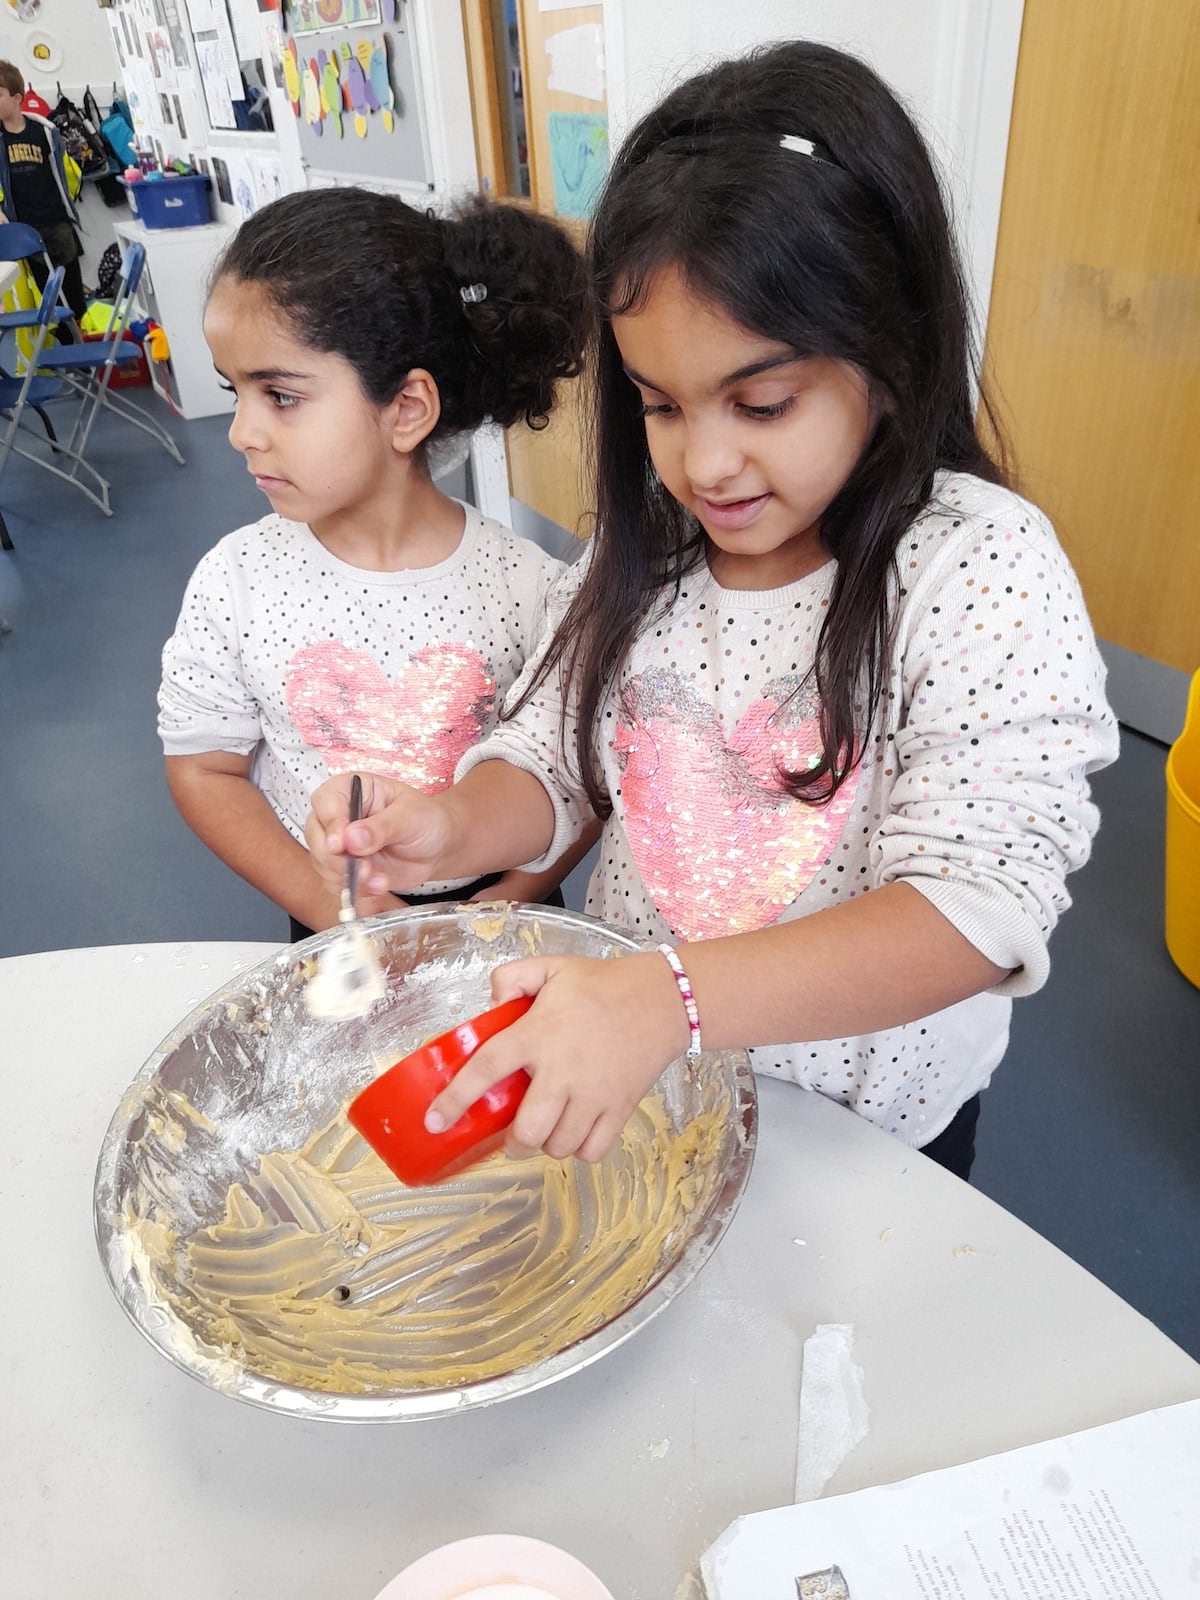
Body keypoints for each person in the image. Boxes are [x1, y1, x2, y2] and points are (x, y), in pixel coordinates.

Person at [306, 42, 1119, 1180]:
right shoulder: (648, 555)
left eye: (764, 402)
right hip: (651, 1094)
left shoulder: (975, 567)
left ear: (890, 351)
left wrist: (669, 996)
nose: (706, 463)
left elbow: (977, 908)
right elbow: (553, 762)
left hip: (868, 1132)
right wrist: (450, 824)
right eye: (660, 406)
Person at [158, 185, 597, 939]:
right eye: (237, 392)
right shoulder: (237, 581)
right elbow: (205, 767)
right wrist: (333, 904)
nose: (241, 432)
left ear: (406, 409)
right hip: (335, 921)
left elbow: (576, 777)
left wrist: (513, 897)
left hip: (503, 919)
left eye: (280, 396)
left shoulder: (527, 588)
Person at [0, 61, 87, 322]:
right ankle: (57, 343)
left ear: (17, 98)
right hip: (22, 231)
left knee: (74, 299)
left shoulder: (45, 133)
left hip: (57, 224)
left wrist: (69, 210)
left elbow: (67, 175)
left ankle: (81, 344)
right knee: (45, 303)